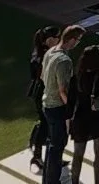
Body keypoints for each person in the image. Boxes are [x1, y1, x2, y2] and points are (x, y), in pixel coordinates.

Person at [41, 25, 85, 184]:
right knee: (57, 147)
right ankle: (52, 181)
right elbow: (63, 91)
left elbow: (42, 76)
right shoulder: (64, 61)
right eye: (78, 40)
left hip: (46, 104)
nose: (78, 43)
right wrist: (73, 111)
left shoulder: (50, 52)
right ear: (72, 40)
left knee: (52, 145)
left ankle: (48, 179)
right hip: (57, 108)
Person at [68, 45, 99, 184]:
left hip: (80, 120)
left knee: (78, 155)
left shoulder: (76, 78)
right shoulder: (98, 77)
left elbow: (70, 102)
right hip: (98, 119)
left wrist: (68, 121)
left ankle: (74, 181)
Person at [26, 25, 59, 176]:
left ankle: (45, 155)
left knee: (47, 123)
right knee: (47, 124)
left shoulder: (41, 53)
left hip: (41, 92)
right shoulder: (44, 56)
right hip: (43, 93)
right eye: (57, 37)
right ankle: (37, 155)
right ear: (50, 40)